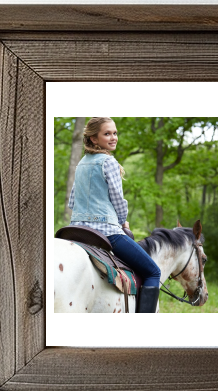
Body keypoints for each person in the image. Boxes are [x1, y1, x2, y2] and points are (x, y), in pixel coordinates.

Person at [68, 117, 161, 313]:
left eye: (115, 133)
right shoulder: (109, 162)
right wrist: (122, 223)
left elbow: (72, 201)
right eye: (107, 133)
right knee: (154, 271)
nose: (113, 137)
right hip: (107, 231)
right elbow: (118, 199)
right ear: (93, 139)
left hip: (76, 229)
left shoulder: (82, 163)